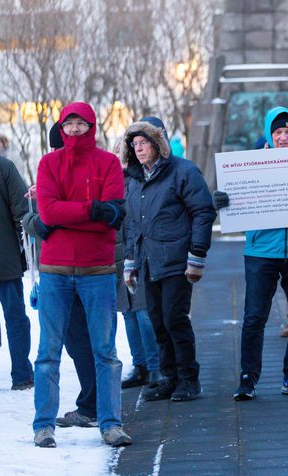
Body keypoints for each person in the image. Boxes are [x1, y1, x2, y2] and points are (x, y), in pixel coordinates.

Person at [34, 102, 130, 448]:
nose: (74, 129)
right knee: (48, 352)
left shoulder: (108, 163)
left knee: (105, 351)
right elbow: (46, 211)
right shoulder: (48, 163)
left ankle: (110, 423)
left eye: (81, 123)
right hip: (55, 271)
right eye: (69, 123)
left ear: (92, 126)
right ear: (61, 127)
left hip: (98, 269)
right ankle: (43, 425)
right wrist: (92, 210)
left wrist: (67, 215)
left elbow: (113, 215)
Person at [123, 116, 215, 403]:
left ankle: (189, 379)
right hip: (149, 261)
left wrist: (197, 254)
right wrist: (131, 260)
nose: (139, 149)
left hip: (177, 259)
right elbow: (132, 223)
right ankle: (169, 377)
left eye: (144, 143)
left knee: (174, 319)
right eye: (135, 144)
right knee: (158, 321)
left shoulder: (183, 171)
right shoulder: (136, 179)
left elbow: (203, 211)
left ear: (157, 143)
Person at [233, 106, 288, 401]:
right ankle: (248, 378)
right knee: (254, 317)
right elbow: (235, 199)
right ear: (269, 133)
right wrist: (225, 199)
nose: (283, 137)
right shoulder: (250, 166)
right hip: (261, 250)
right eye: (278, 132)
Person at [22, 126, 99, 429]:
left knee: (75, 340)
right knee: (91, 342)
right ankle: (96, 404)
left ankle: (92, 406)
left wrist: (31, 215)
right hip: (89, 268)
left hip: (67, 271)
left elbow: (46, 224)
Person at [114, 136, 162, 388]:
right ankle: (140, 365)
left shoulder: (138, 179)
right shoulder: (109, 182)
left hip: (137, 253)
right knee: (128, 313)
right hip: (115, 256)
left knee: (143, 312)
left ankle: (155, 367)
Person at [0, 132, 34, 391]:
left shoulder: (3, 167)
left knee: (15, 316)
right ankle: (22, 375)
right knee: (15, 317)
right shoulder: (4, 167)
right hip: (4, 258)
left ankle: (22, 373)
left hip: (4, 257)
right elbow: (23, 211)